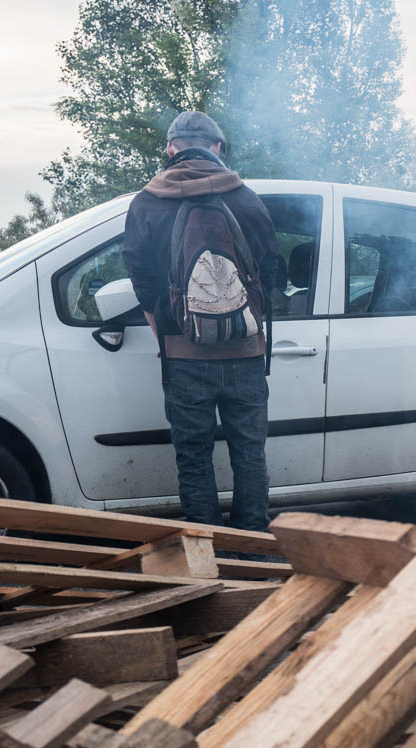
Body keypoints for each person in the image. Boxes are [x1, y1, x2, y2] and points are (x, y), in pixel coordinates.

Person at [121, 110, 277, 532]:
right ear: (217, 148)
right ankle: (254, 553)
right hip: (245, 351)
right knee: (249, 453)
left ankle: (203, 549)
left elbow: (142, 279)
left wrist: (166, 335)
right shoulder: (246, 198)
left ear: (170, 149)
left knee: (193, 455)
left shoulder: (148, 202)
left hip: (183, 356)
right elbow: (269, 269)